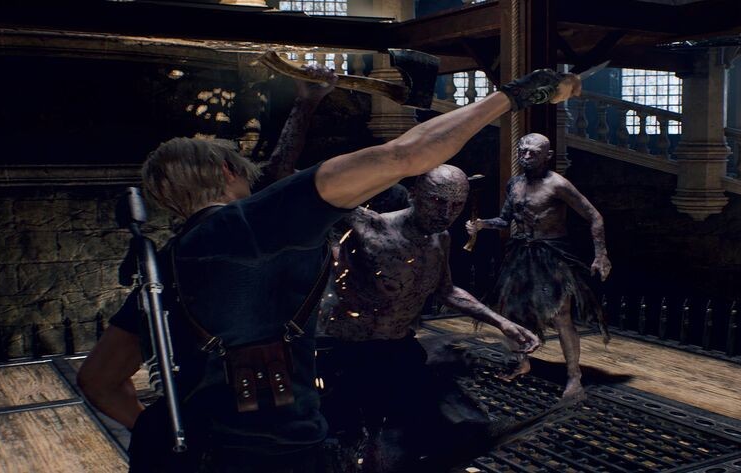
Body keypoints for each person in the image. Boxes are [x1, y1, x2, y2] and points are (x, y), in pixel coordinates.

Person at [77, 63, 581, 472]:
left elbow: (98, 380)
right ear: (229, 170)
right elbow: (407, 153)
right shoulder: (260, 220)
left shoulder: (167, 261)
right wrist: (517, 95)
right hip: (286, 457)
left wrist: (170, 436)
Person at [317, 163, 541, 472]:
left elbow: (446, 290)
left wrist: (502, 322)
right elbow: (311, 190)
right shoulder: (371, 228)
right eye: (437, 201)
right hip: (347, 351)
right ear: (413, 194)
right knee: (343, 440)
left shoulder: (440, 239)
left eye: (456, 205)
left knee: (423, 432)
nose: (446, 213)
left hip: (397, 348)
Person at [465, 132, 611, 400]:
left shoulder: (558, 184)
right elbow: (505, 220)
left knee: (560, 315)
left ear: (547, 156)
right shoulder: (515, 184)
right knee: (511, 310)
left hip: (551, 254)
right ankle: (522, 362)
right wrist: (482, 224)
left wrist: (601, 254)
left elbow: (595, 216)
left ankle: (574, 376)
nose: (526, 156)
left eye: (533, 153)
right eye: (523, 151)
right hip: (521, 252)